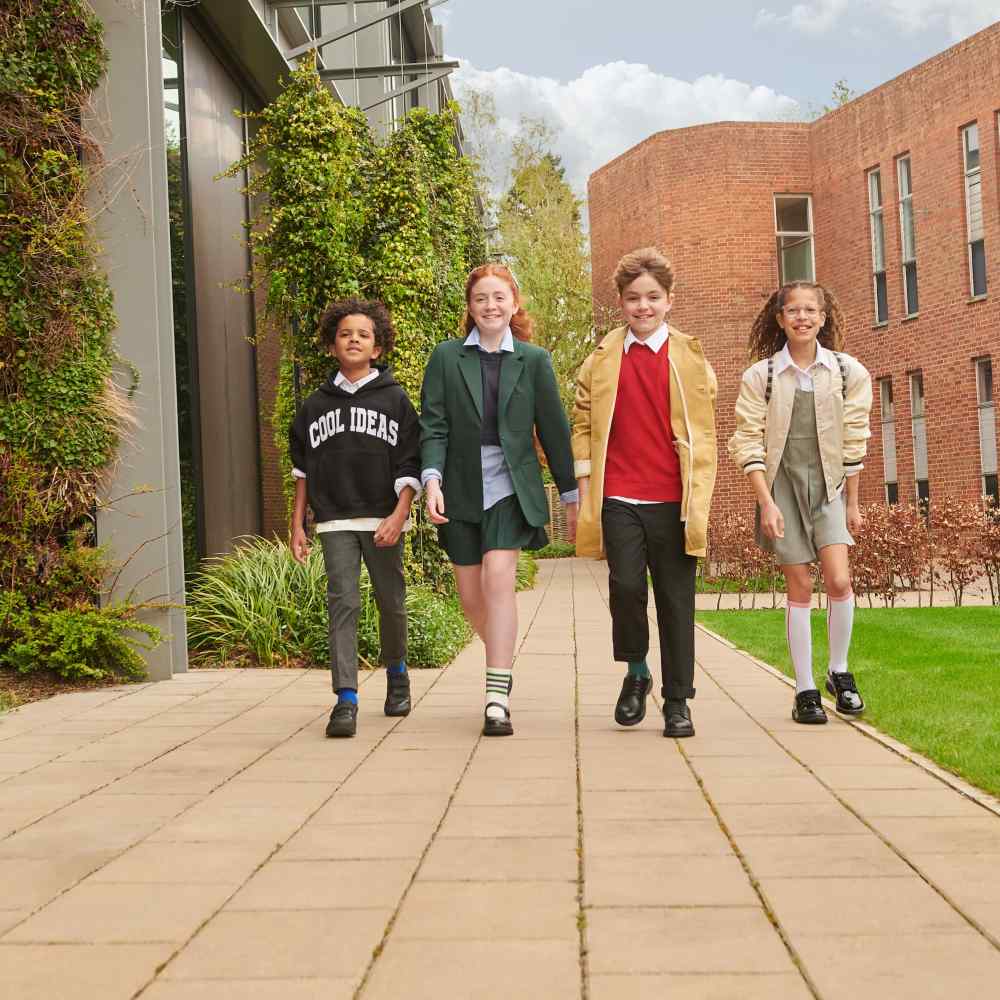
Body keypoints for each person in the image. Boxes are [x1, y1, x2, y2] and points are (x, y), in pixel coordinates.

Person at [421, 264, 578, 737]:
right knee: (470, 596)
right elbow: (433, 425)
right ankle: (503, 658)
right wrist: (431, 481)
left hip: (512, 485)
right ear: (470, 308)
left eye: (498, 297)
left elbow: (553, 429)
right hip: (460, 487)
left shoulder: (534, 360)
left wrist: (570, 495)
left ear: (514, 302)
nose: (490, 306)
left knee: (497, 579)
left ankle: (496, 696)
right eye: (480, 299)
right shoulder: (447, 358)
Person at [573, 247, 717, 738]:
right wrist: (586, 484)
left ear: (669, 300)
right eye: (633, 298)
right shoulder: (601, 360)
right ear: (621, 302)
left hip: (674, 500)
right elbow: (583, 419)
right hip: (620, 498)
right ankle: (636, 673)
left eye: (653, 297)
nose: (643, 307)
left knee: (677, 601)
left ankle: (678, 701)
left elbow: (705, 426)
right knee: (627, 589)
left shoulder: (690, 358)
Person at [728, 281, 872, 724]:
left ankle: (839, 672)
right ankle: (805, 688)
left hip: (830, 490)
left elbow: (854, 441)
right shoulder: (762, 376)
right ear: (780, 318)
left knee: (840, 581)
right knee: (801, 588)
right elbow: (747, 442)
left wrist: (852, 504)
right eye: (794, 310)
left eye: (811, 310)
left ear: (824, 318)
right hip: (783, 491)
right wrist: (766, 504)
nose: (803, 318)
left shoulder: (848, 373)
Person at [289, 299, 421, 738]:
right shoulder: (313, 406)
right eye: (345, 334)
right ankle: (345, 699)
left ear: (377, 347)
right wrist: (297, 524)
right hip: (334, 521)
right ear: (332, 345)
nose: (354, 340)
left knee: (391, 601)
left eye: (363, 334)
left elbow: (409, 463)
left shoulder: (396, 399)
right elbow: (303, 471)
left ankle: (397, 672)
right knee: (342, 603)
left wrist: (399, 514)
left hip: (383, 519)